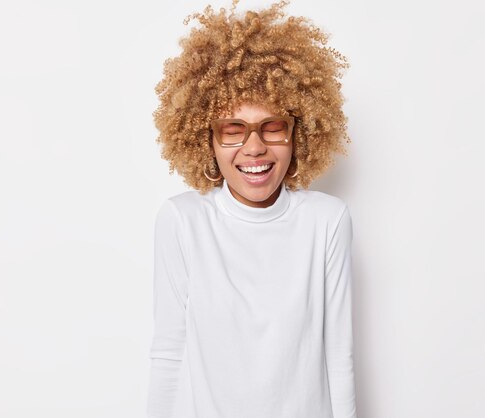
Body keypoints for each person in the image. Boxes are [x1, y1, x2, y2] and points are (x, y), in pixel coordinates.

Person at [147, 1, 357, 417]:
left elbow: (339, 356)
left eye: (273, 126)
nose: (255, 147)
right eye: (233, 129)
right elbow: (169, 354)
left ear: (300, 131)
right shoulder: (183, 220)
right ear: (206, 138)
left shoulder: (327, 221)